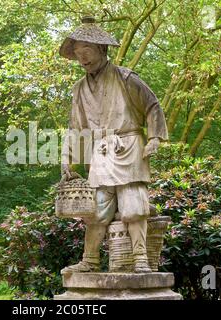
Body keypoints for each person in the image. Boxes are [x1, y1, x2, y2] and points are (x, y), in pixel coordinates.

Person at [59, 17, 168, 273]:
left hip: (129, 145)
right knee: (95, 211)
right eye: (77, 53)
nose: (82, 58)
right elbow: (75, 128)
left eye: (86, 51)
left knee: (133, 206)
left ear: (102, 49)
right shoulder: (78, 89)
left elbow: (152, 105)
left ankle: (141, 258)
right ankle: (90, 260)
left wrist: (154, 138)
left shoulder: (126, 77)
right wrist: (67, 158)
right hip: (101, 152)